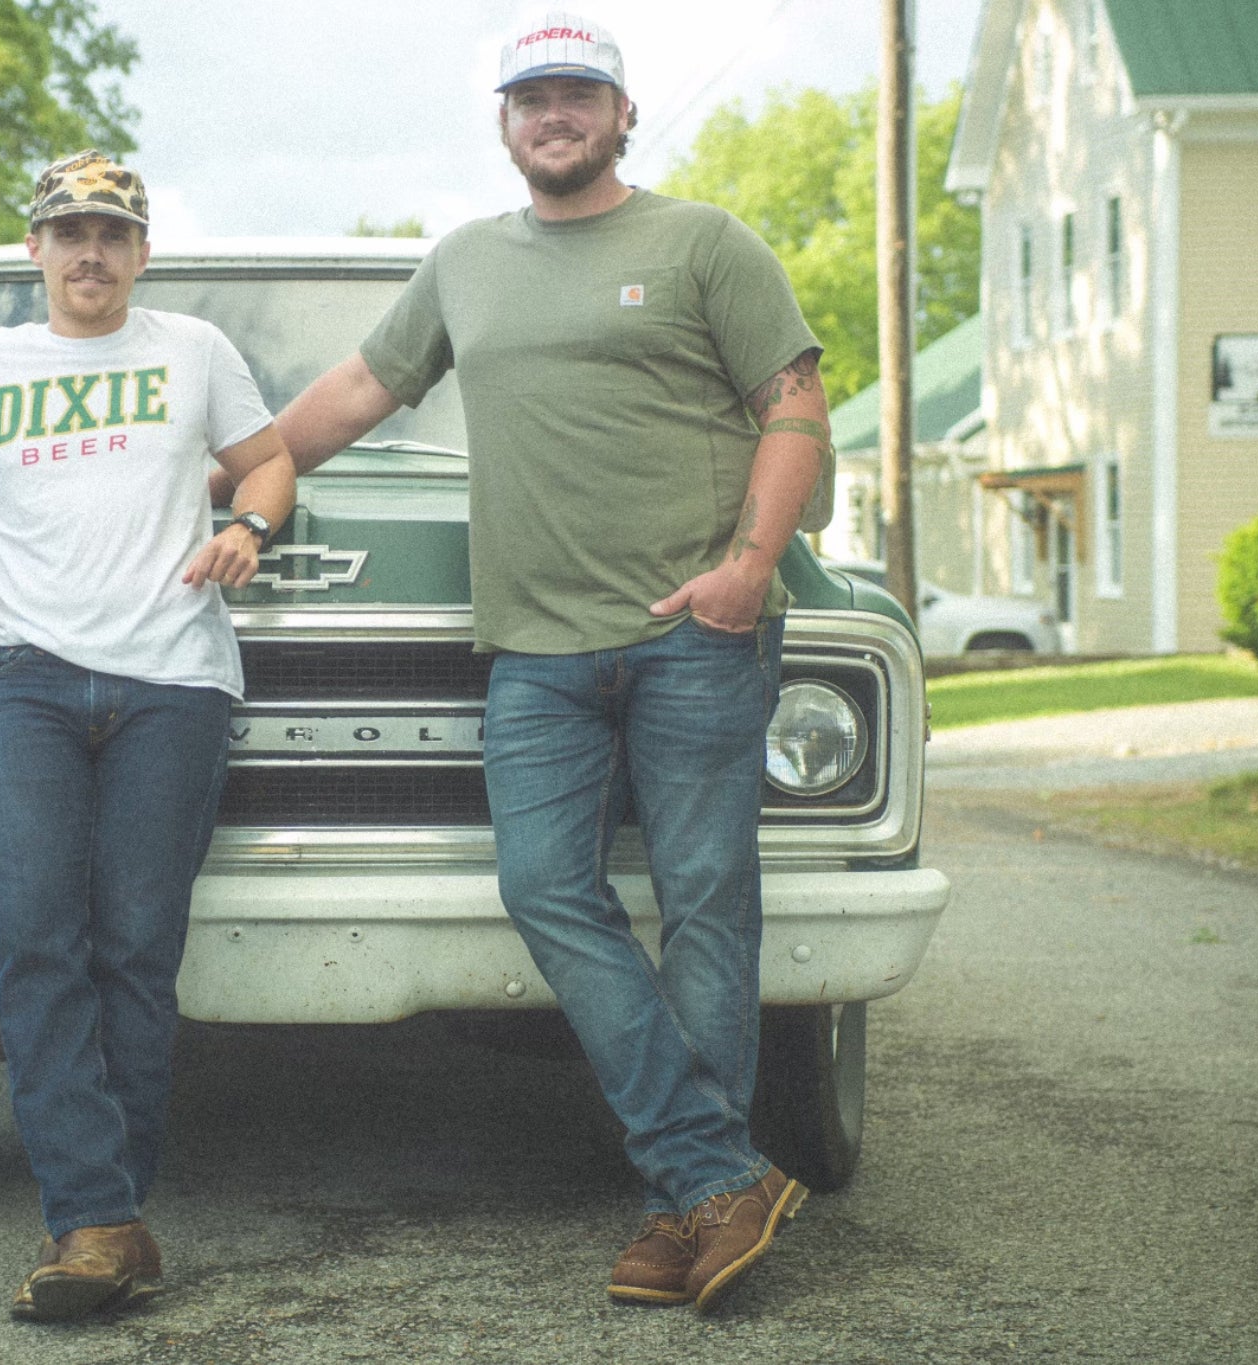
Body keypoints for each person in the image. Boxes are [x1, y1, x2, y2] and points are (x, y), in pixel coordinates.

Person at [265, 12, 833, 1313]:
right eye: (531, 97)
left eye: (578, 93)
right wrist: (223, 479)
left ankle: (674, 1204)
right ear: (505, 125)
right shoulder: (464, 264)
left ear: (622, 115)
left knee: (701, 904)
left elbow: (791, 409)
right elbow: (350, 395)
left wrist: (749, 564)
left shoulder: (703, 243)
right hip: (534, 654)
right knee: (543, 888)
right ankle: (712, 1172)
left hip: (693, 637)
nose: (553, 114)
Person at [0, 149, 295, 1321]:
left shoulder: (193, 352)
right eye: (68, 232)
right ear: (35, 250)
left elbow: (264, 459)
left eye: (111, 235)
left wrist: (250, 527)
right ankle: (95, 1218)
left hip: (174, 682)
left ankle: (107, 1217)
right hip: (29, 674)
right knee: (33, 939)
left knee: (132, 944)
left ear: (139, 253)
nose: (88, 253)